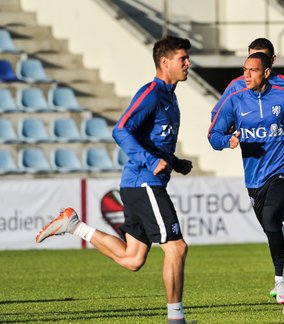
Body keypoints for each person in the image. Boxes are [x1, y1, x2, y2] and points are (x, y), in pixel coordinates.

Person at [36, 36, 195, 324]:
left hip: (139, 183)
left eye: (187, 58)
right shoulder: (152, 93)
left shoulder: (170, 96)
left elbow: (155, 142)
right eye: (183, 58)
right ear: (165, 62)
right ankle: (175, 319)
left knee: (133, 259)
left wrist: (175, 162)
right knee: (176, 247)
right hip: (144, 181)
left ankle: (75, 225)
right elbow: (121, 130)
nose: (188, 63)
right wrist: (150, 161)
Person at [208, 52, 284, 315]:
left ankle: (280, 280)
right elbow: (213, 134)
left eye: (253, 70)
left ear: (267, 71)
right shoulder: (235, 99)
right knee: (275, 226)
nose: (246, 75)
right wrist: (228, 141)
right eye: (245, 69)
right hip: (254, 178)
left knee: (272, 217)